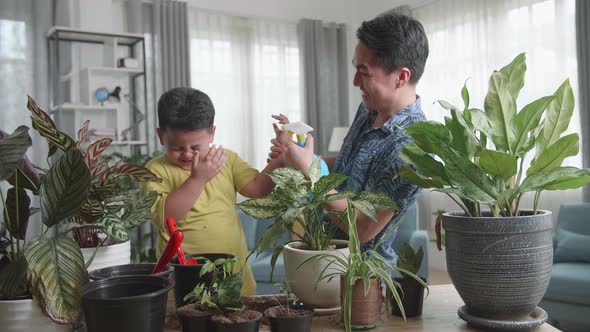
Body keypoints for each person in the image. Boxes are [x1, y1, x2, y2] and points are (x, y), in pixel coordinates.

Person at [270, 11, 429, 265]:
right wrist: (301, 155)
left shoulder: (414, 147)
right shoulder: (369, 107)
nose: (355, 81)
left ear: (402, 76)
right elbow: (346, 166)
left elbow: (363, 229)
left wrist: (311, 172)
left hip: (360, 276)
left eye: (364, 73)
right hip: (322, 254)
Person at [140, 87, 282, 296]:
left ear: (212, 134)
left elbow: (258, 189)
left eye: (196, 147)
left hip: (233, 278)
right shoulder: (155, 170)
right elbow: (165, 216)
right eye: (178, 148)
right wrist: (198, 179)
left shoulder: (226, 160)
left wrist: (279, 162)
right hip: (184, 282)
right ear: (161, 136)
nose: (187, 154)